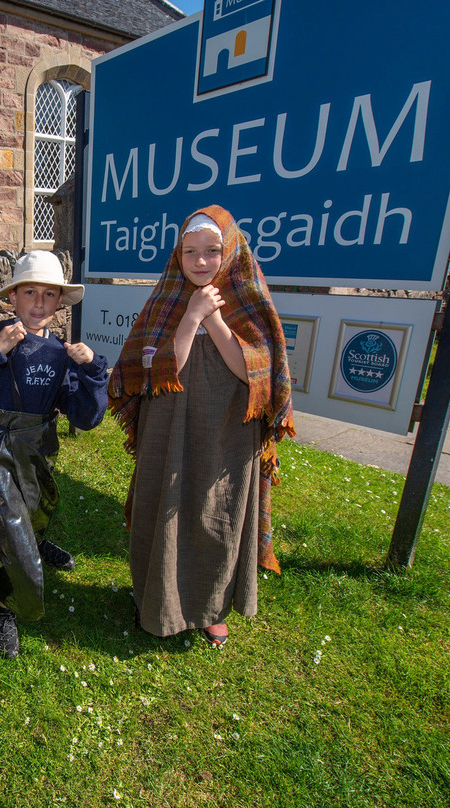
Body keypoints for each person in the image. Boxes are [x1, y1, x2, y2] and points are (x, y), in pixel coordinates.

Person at [108, 205, 294, 648]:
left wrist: (214, 317)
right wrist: (190, 317)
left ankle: (211, 608)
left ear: (230, 251)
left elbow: (256, 376)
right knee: (161, 503)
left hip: (227, 430)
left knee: (218, 510)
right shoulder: (167, 303)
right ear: (178, 255)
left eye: (212, 251)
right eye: (190, 251)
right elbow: (155, 372)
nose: (200, 261)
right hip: (168, 425)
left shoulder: (250, 303)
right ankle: (152, 597)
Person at [0, 251, 109, 658]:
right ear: (13, 296)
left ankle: (36, 539)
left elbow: (85, 416)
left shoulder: (61, 354)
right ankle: (4, 609)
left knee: (40, 508)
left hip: (36, 450)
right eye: (30, 292)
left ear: (59, 301)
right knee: (14, 527)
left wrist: (93, 373)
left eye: (49, 294)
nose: (39, 303)